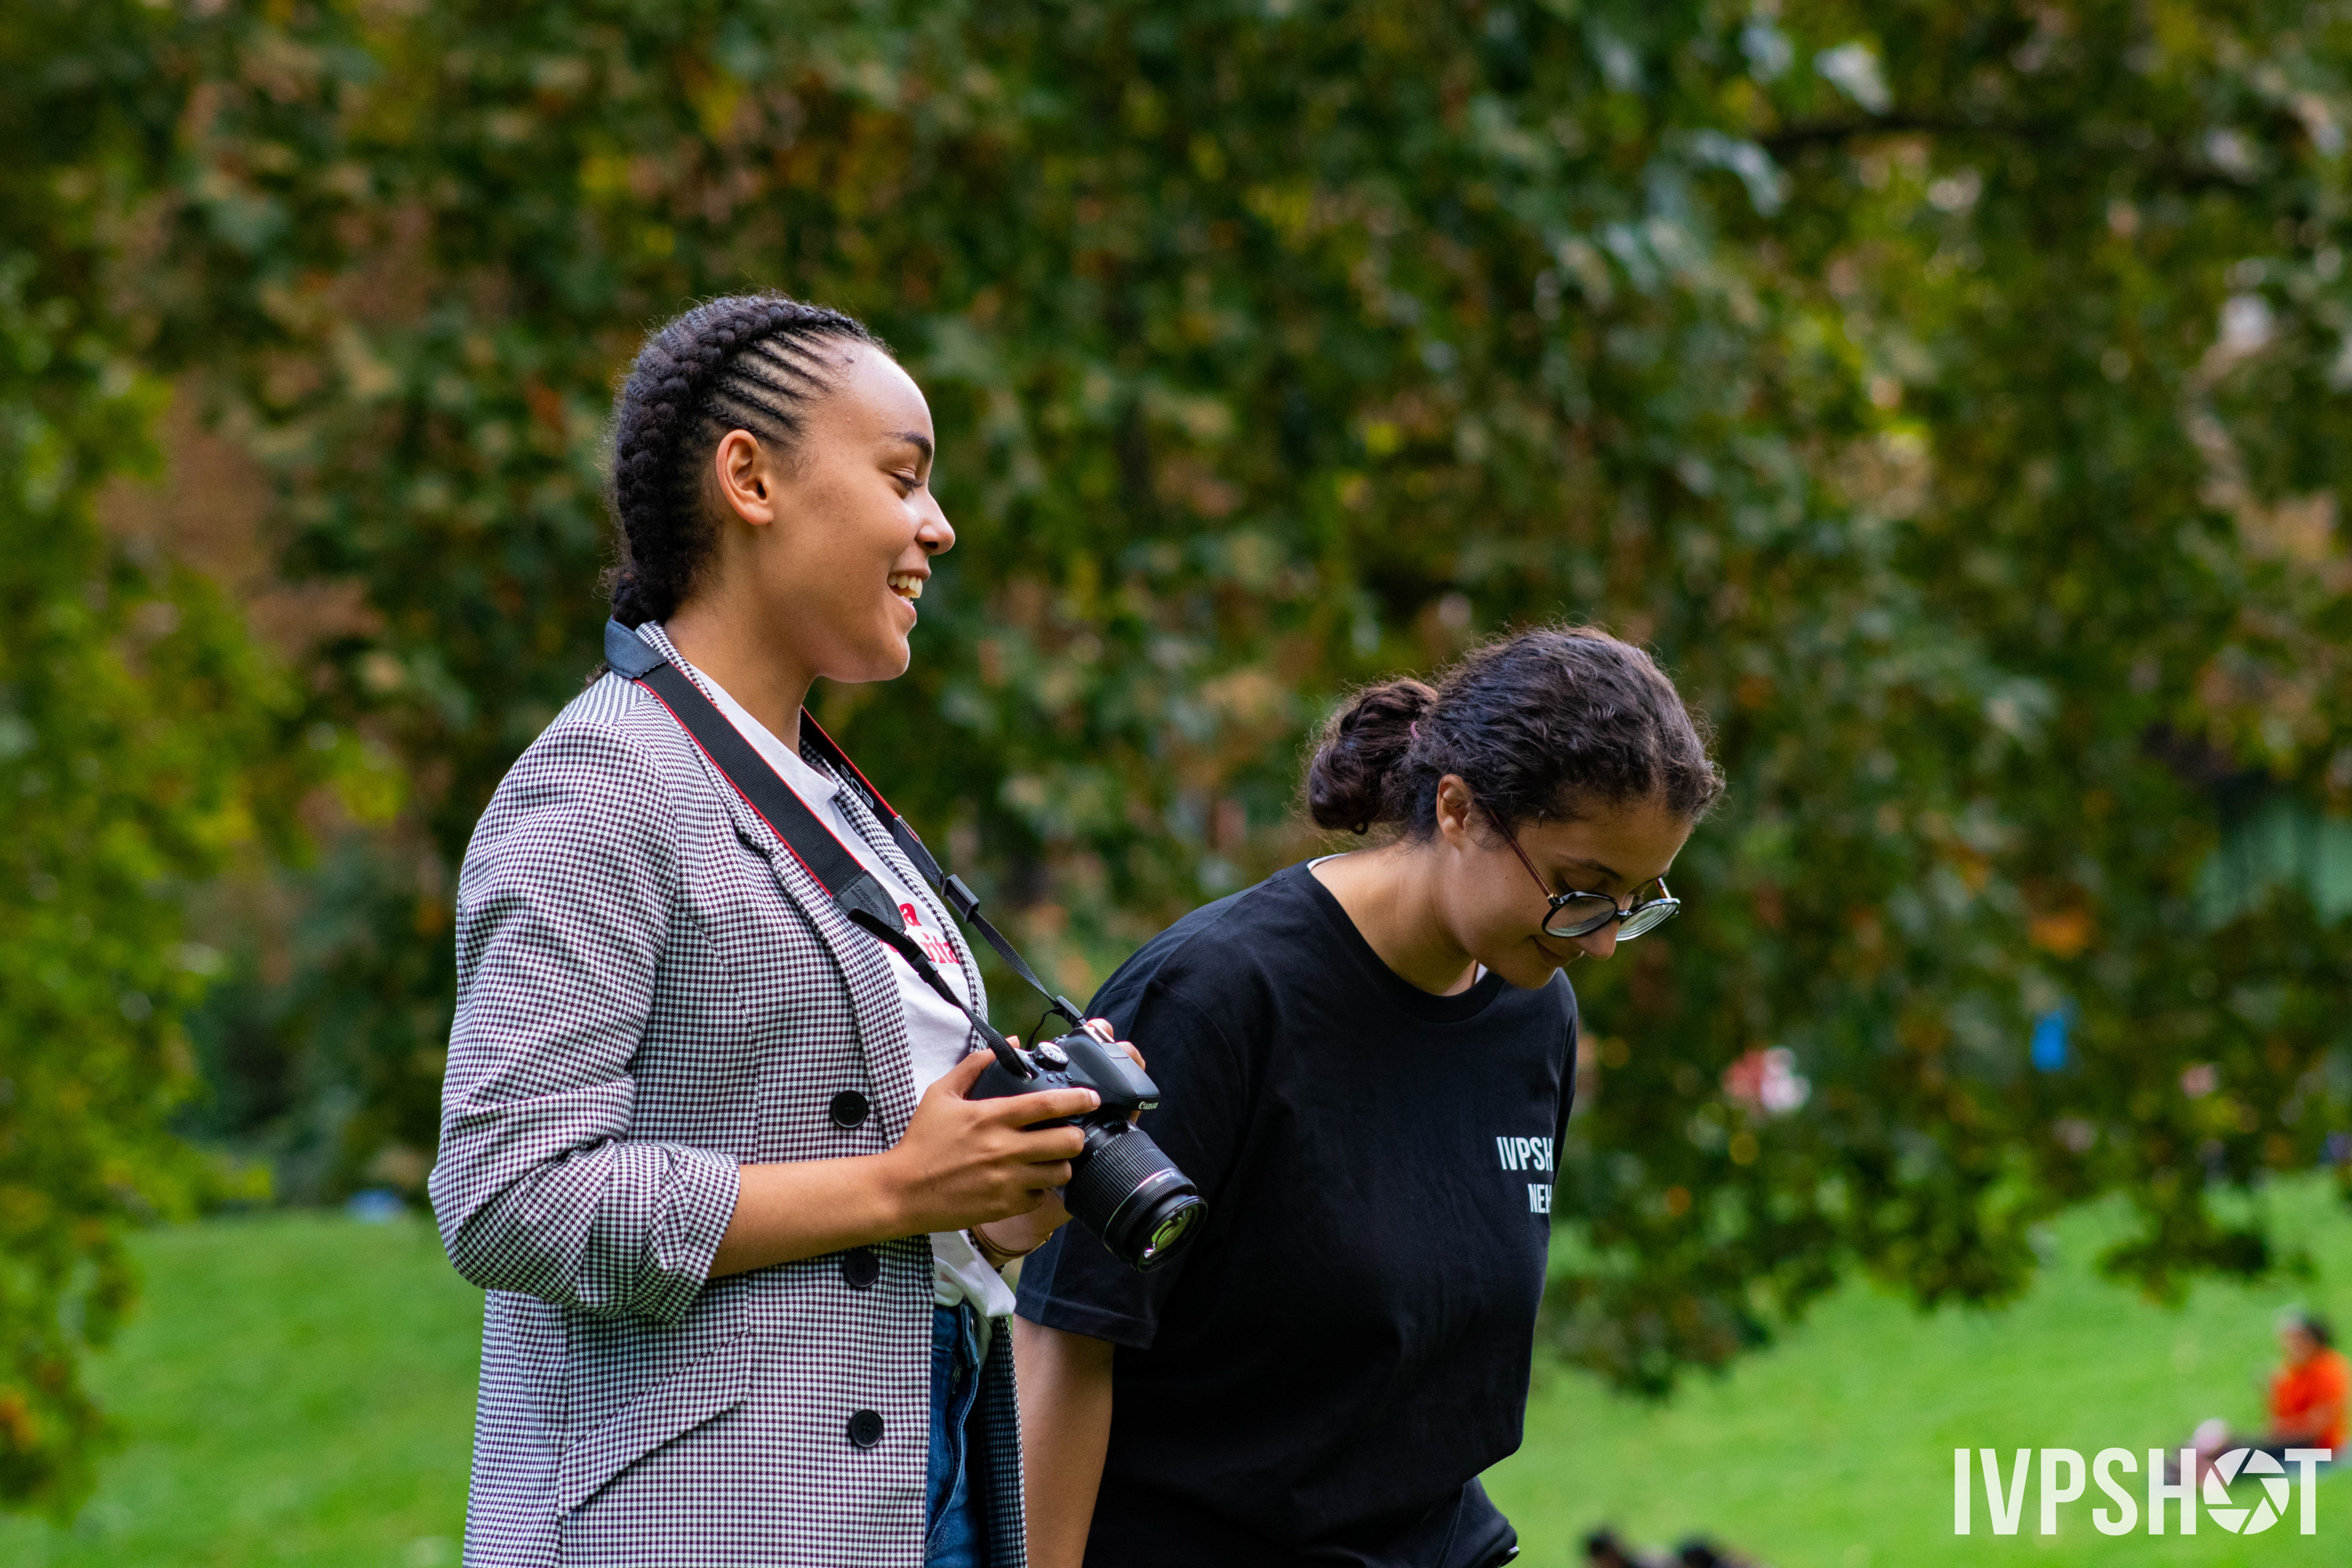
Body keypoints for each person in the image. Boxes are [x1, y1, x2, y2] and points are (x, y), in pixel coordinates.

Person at [428, 293, 1115, 1566]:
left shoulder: (832, 797)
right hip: (707, 1517)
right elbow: (508, 1194)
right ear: (750, 479)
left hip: (932, 1466)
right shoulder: (601, 783)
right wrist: (898, 1187)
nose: (938, 526)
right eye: (903, 477)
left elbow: (858, 1165)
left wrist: (1001, 1191)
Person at [1013, 628, 1725, 1568]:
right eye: (1580, 889)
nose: (1598, 941)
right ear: (1459, 809)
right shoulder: (1216, 998)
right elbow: (1066, 1339)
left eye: (1634, 903)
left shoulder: (1532, 1010)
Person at [2182, 1307, 2347, 1483]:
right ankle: (2198, 1463)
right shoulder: (2288, 1374)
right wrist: (2269, 1396)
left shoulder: (2329, 1368)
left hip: (2318, 1447)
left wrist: (2275, 1436)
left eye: (2296, 1338)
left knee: (2248, 1453)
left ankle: (2205, 1471)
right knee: (2236, 1446)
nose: (2290, 1345)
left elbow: (2317, 1428)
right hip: (2290, 1440)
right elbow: (2277, 1422)